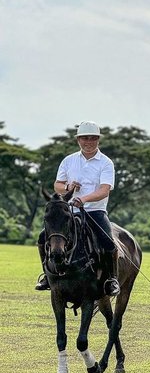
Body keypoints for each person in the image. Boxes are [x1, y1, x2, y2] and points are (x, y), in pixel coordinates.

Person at [35, 121, 120, 297]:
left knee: (108, 243)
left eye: (92, 138)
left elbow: (104, 190)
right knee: (43, 237)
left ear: (98, 140)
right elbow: (57, 185)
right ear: (78, 140)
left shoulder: (106, 162)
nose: (88, 142)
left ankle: (112, 279)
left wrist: (83, 198)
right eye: (84, 138)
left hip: (95, 211)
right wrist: (68, 188)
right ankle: (47, 275)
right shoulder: (69, 160)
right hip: (69, 212)